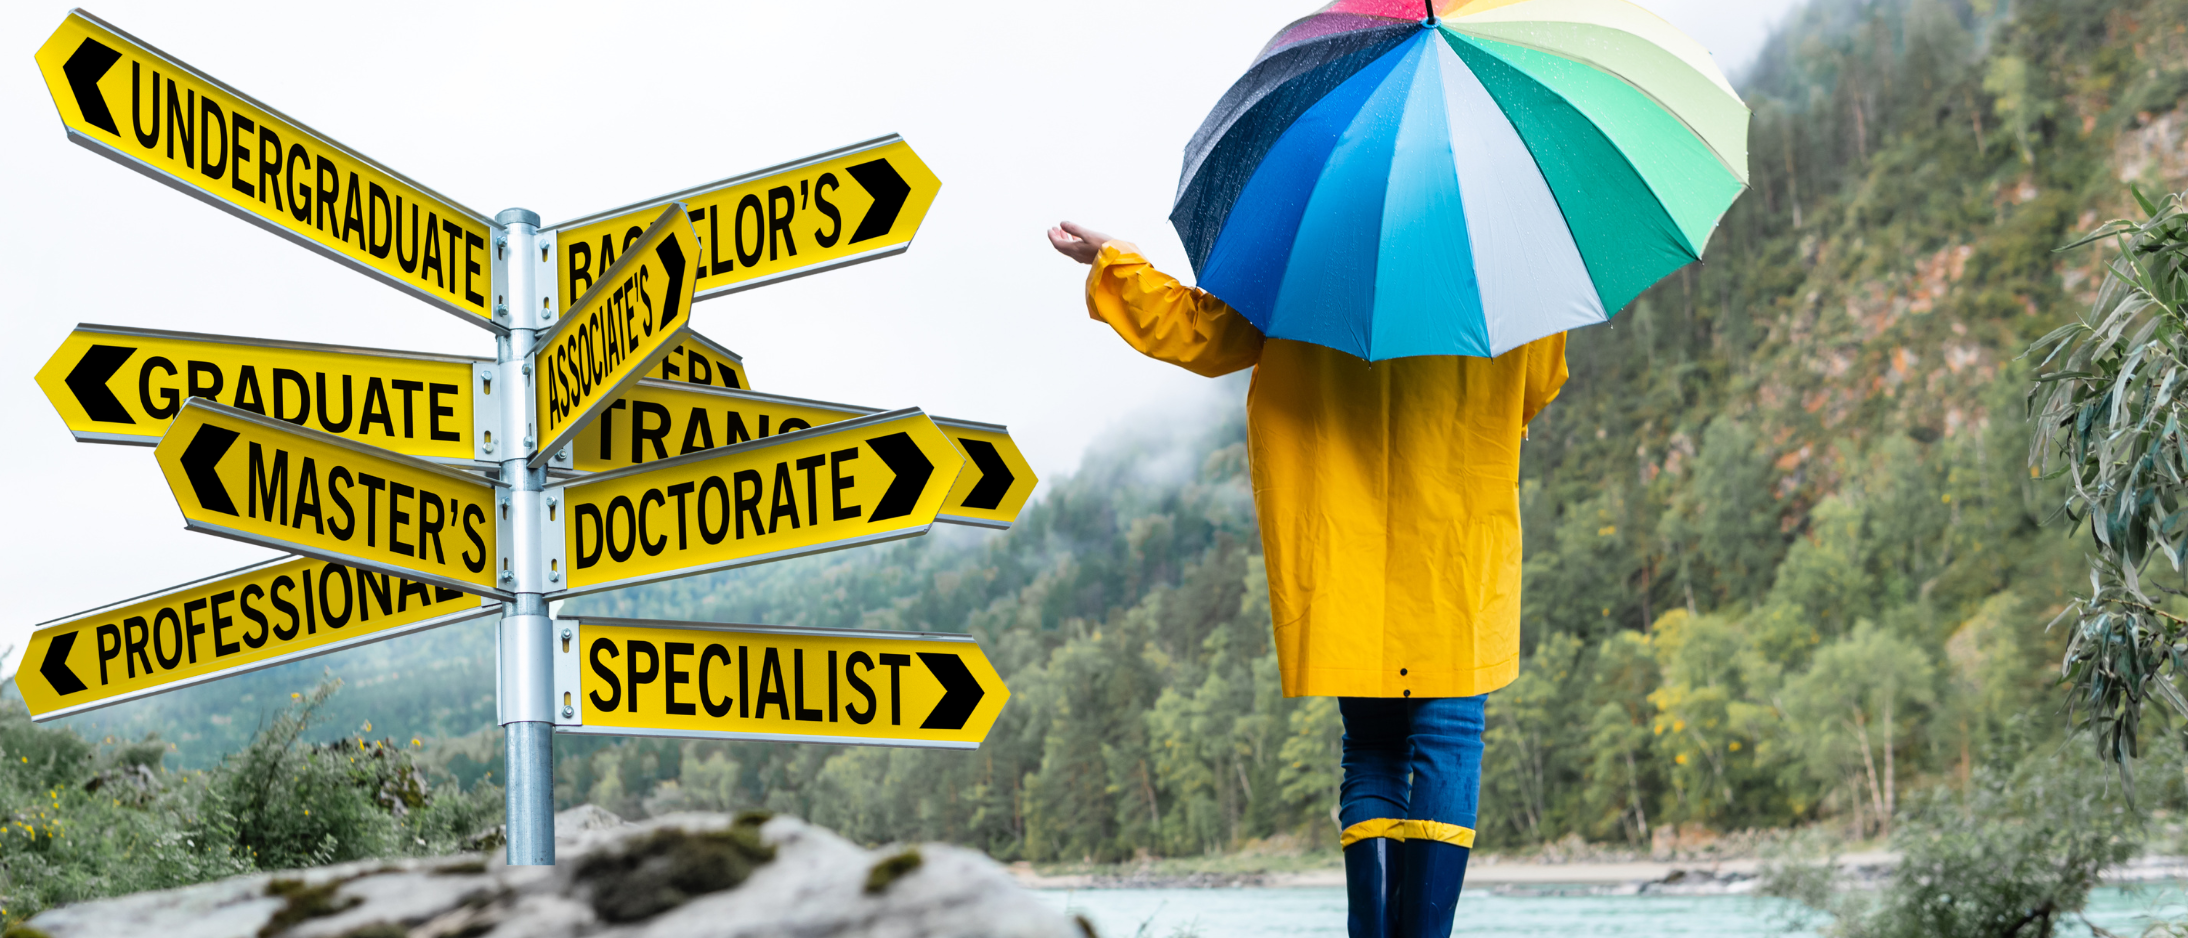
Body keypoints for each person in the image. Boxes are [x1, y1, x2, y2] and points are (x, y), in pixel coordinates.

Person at [1048, 221, 1567, 938]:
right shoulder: (1508, 255)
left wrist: (1115, 264)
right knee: (1448, 736)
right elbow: (1535, 388)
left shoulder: (1313, 240)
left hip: (1344, 539)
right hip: (1455, 534)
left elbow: (1200, 332)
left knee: (1375, 745)